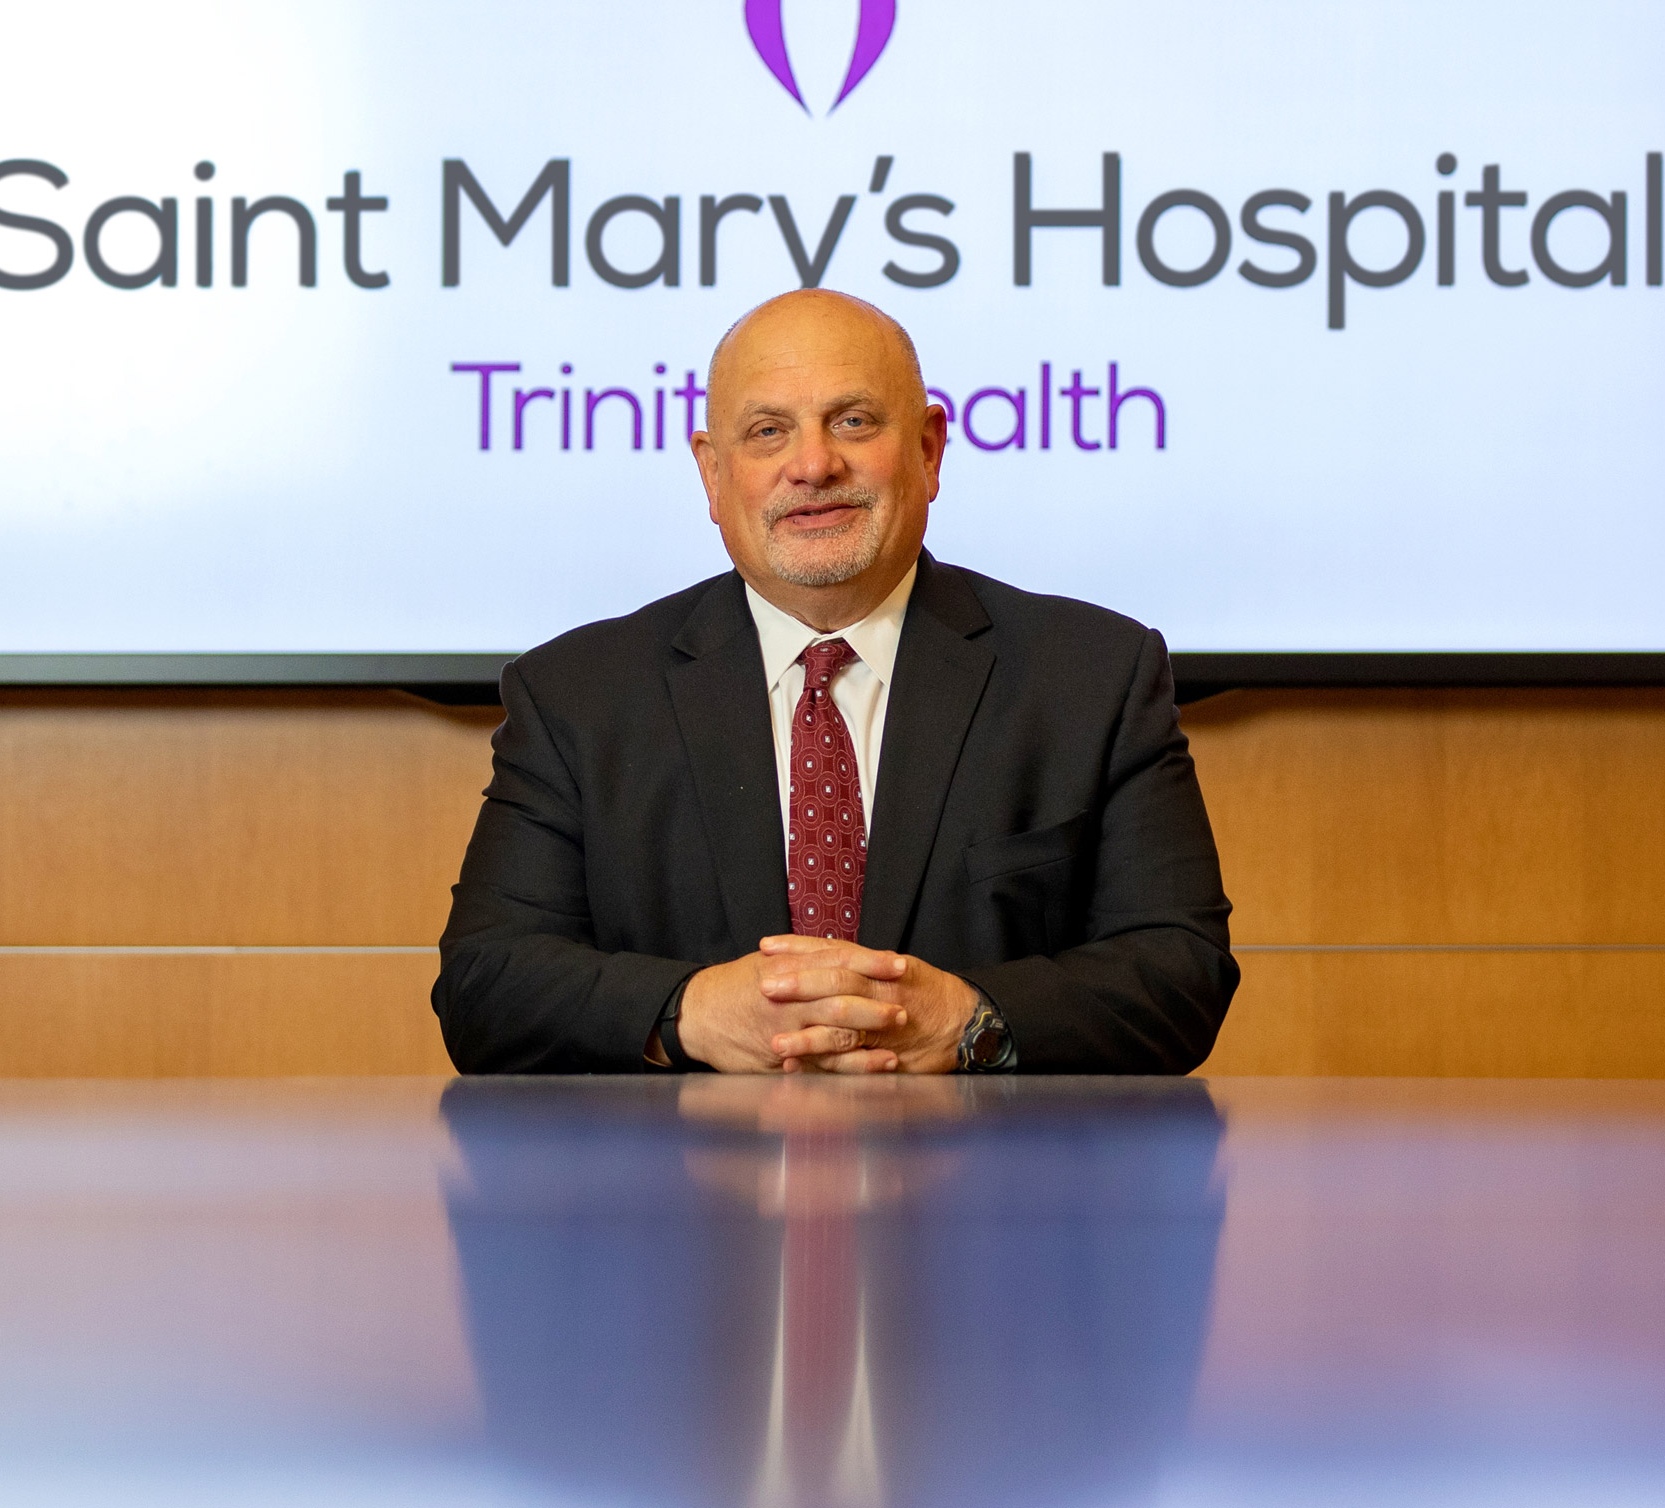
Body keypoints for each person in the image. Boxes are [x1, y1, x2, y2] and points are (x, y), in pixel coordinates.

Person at [433, 289, 1240, 1075]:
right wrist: (692, 1014)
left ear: (928, 450)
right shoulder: (576, 696)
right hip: (680, 1198)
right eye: (767, 432)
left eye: (853, 421)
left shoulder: (1093, 675)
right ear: (712, 475)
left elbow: (1181, 972)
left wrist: (969, 1022)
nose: (813, 465)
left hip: (997, 1194)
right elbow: (484, 986)